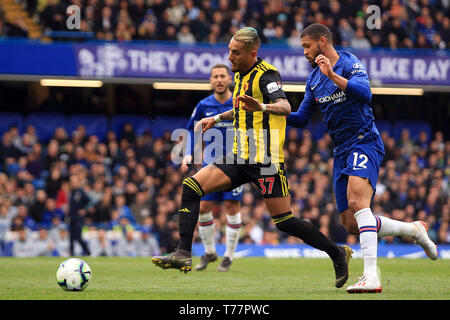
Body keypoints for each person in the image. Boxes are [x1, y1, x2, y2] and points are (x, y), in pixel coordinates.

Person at [153, 27, 353, 289]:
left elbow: (284, 107)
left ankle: (337, 253)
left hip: (266, 162)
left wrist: (260, 106)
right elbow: (239, 108)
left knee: (285, 222)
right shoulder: (240, 76)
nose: (229, 57)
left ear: (252, 53)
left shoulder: (266, 75)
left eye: (235, 52)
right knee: (191, 187)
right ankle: (183, 253)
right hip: (238, 157)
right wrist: (216, 117)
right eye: (229, 51)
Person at [287, 23, 438, 293]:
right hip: (341, 150)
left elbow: (365, 93)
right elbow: (300, 118)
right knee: (349, 222)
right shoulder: (313, 80)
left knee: (358, 203)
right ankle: (414, 230)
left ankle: (371, 276)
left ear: (322, 42)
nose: (304, 52)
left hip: (364, 140)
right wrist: (267, 109)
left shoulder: (349, 62)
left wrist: (332, 75)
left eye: (306, 46)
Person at [180, 64, 244, 272]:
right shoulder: (203, 105)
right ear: (211, 80)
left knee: (232, 208)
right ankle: (209, 252)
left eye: (222, 76)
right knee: (204, 208)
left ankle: (229, 256)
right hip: (211, 165)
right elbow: (191, 129)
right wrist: (189, 152)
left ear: (229, 79)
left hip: (236, 165)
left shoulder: (239, 103)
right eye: (215, 76)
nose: (218, 79)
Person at [68, 175, 91, 256]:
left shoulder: (80, 191)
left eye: (74, 181)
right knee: (71, 236)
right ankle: (71, 253)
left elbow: (88, 200)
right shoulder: (71, 192)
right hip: (71, 217)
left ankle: (87, 251)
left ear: (78, 182)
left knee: (78, 236)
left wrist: (84, 209)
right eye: (71, 181)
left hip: (78, 218)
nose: (73, 183)